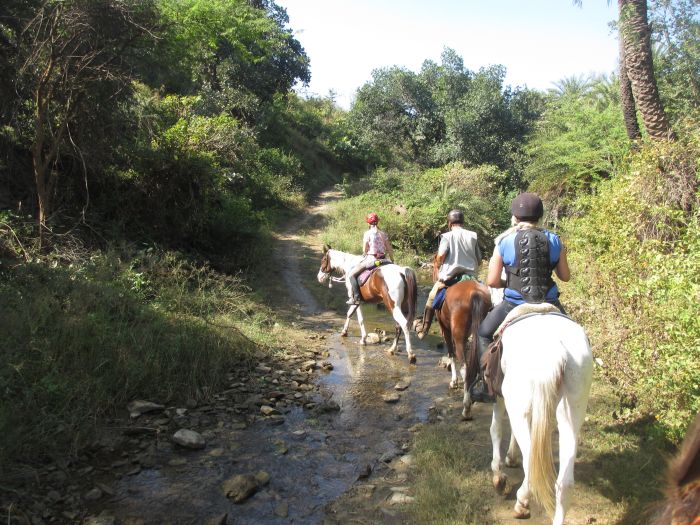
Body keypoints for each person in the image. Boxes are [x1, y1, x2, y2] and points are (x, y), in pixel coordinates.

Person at [477, 192, 570, 350]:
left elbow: (492, 281)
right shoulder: (555, 240)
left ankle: (485, 375)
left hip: (514, 303)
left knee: (483, 334)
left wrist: (510, 282)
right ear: (540, 216)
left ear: (515, 217)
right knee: (578, 337)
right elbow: (565, 276)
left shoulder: (504, 241)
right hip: (550, 301)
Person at [414, 209, 481, 339]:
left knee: (431, 297)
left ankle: (424, 328)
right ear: (463, 222)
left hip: (450, 278)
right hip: (471, 277)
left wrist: (439, 264)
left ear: (450, 223)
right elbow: (479, 259)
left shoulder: (447, 236)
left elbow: (440, 257)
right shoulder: (473, 235)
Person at [346, 212, 394, 305]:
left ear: (368, 223)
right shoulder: (383, 234)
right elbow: (389, 249)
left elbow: (364, 249)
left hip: (372, 260)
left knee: (351, 275)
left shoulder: (367, 234)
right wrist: (392, 260)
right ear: (378, 222)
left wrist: (365, 251)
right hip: (384, 260)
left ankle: (356, 297)